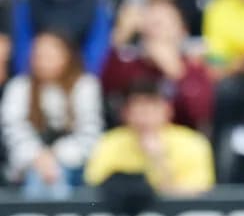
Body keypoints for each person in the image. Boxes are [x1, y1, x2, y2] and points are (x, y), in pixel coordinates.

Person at [0, 31, 102, 197]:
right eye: (38, 54)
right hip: (29, 164)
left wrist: (55, 156)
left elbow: (89, 133)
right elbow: (13, 130)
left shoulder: (85, 85)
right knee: (39, 178)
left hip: (75, 163)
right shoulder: (19, 87)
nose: (42, 61)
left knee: (56, 177)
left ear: (67, 56)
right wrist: (38, 157)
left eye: (50, 55)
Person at [84, 77, 215, 195]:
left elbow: (198, 193)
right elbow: (95, 188)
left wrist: (159, 160)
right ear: (125, 113)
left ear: (168, 110)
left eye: (151, 109)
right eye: (137, 110)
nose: (144, 117)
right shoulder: (109, 143)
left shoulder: (193, 143)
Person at [100, 0, 214, 131]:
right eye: (151, 23)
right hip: (132, 138)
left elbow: (199, 114)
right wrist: (121, 34)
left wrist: (176, 71)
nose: (155, 30)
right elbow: (105, 86)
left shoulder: (194, 67)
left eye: (162, 23)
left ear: (182, 31)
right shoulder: (130, 65)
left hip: (180, 140)